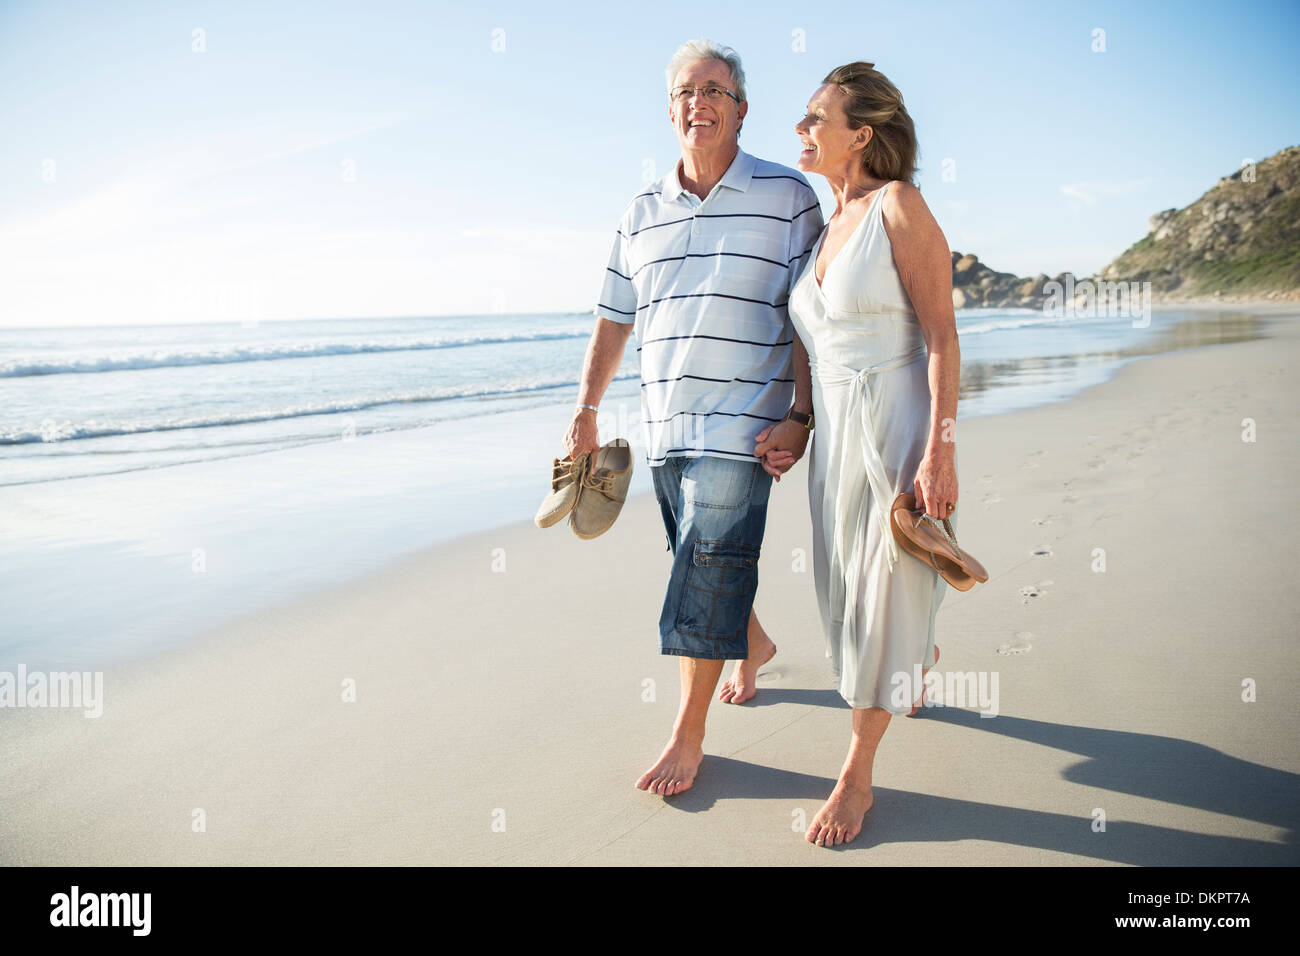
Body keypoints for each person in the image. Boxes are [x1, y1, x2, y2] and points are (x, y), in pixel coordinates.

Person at [565, 38, 824, 796]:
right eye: (685, 91)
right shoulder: (639, 212)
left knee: (706, 567)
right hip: (666, 427)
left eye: (714, 90)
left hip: (748, 427)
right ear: (669, 110)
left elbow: (808, 318)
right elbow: (614, 318)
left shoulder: (788, 197)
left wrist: (802, 416)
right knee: (702, 557)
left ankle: (688, 734)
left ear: (741, 108)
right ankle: (756, 643)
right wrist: (585, 409)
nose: (697, 103)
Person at [755, 61, 962, 846]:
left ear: (860, 135)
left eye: (815, 118)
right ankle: (916, 647)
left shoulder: (899, 207)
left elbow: (942, 338)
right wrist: (799, 418)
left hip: (898, 423)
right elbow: (808, 339)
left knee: (881, 595)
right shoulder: (820, 225)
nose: (801, 130)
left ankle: (856, 775)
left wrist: (939, 451)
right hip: (836, 437)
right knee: (847, 595)